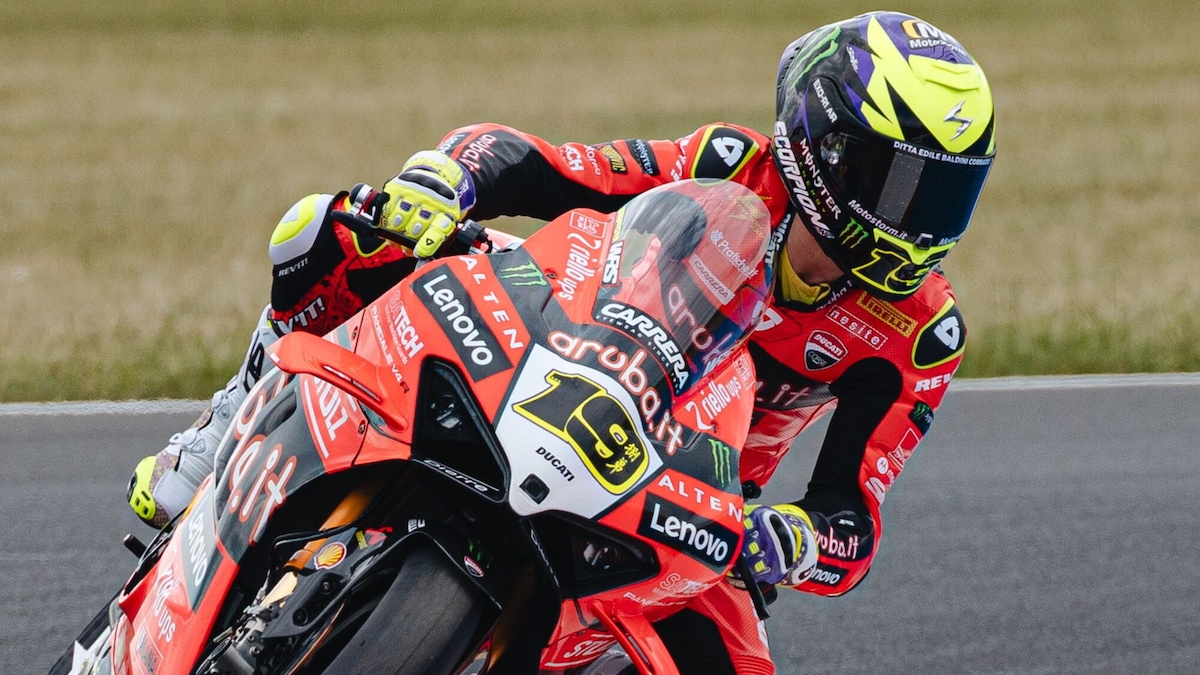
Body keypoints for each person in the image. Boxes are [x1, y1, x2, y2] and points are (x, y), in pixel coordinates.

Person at [126, 11, 994, 673]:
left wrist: (792, 540)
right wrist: (449, 177)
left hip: (691, 502)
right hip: (561, 360)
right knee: (336, 230)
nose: (925, 225)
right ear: (825, 148)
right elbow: (547, 166)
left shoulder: (921, 333)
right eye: (906, 184)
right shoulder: (730, 164)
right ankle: (220, 435)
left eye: (949, 197)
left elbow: (852, 520)